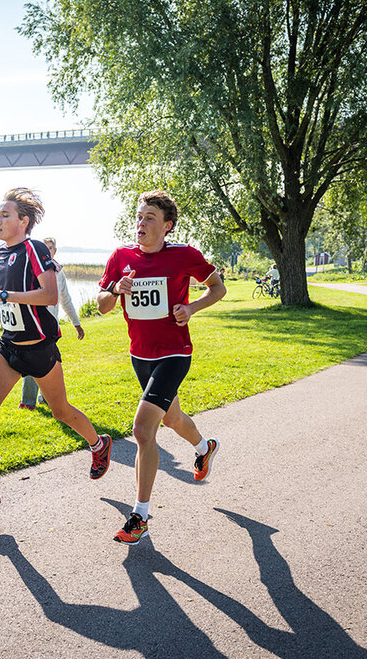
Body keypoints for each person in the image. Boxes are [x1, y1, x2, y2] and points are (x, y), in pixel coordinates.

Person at [0, 188, 112, 512]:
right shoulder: (3, 254)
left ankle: (99, 445)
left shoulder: (34, 248)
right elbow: (18, 298)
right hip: (10, 345)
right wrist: (5, 308)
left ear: (23, 221)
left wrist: (4, 297)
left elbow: (49, 296)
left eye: (5, 215)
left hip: (40, 348)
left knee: (60, 410)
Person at [97, 190, 227, 544]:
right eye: (139, 217)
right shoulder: (121, 257)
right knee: (171, 418)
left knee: (142, 430)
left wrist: (193, 308)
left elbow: (218, 287)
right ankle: (204, 448)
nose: (140, 223)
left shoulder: (184, 256)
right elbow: (102, 305)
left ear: (167, 226)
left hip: (174, 352)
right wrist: (116, 291)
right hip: (140, 354)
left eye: (149, 218)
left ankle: (140, 515)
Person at [20, 236, 84, 410]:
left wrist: (76, 324)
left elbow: (66, 300)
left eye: (50, 248)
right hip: (34, 323)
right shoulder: (33, 270)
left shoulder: (58, 272)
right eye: (44, 248)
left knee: (49, 363)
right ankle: (28, 401)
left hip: (51, 326)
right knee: (33, 360)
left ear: (54, 251)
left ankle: (45, 399)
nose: (47, 251)